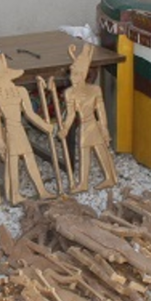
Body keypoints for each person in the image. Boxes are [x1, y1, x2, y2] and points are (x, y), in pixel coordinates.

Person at [0, 53, 54, 204]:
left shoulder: (21, 91)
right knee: (13, 162)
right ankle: (14, 194)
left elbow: (30, 114)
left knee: (29, 158)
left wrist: (46, 126)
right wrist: (0, 141)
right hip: (9, 131)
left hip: (19, 130)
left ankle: (41, 190)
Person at [58, 43, 117, 192]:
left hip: (94, 125)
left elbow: (101, 112)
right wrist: (65, 128)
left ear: (83, 74)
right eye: (72, 74)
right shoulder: (70, 93)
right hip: (84, 126)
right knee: (84, 152)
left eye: (76, 74)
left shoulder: (95, 90)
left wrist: (104, 129)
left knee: (101, 150)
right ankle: (83, 183)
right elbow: (71, 114)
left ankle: (110, 177)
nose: (73, 78)